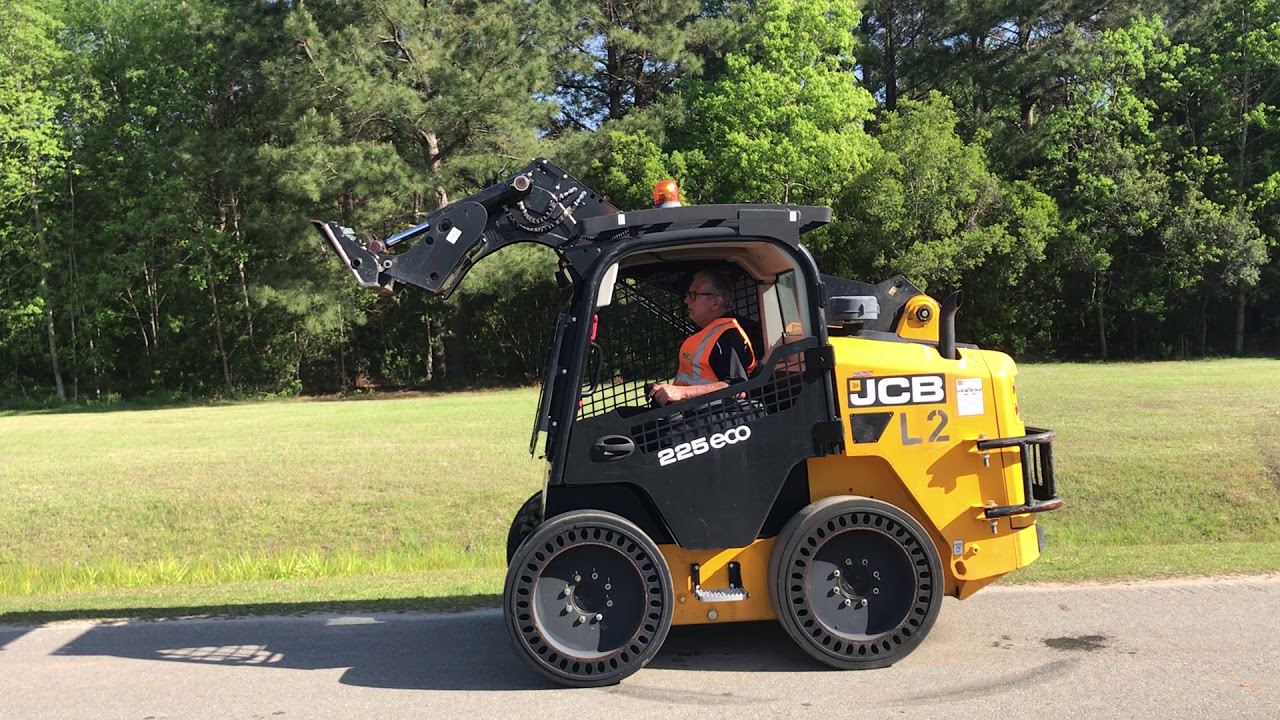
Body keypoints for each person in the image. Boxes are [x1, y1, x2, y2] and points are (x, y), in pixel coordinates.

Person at [648, 270, 757, 406]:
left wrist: (682, 393)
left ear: (716, 303)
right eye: (688, 294)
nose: (686, 300)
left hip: (709, 418)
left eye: (694, 295)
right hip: (684, 413)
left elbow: (737, 389)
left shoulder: (729, 337)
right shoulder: (704, 331)